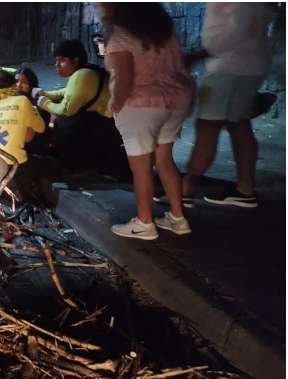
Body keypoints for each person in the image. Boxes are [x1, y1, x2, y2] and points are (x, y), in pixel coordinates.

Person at [102, 3, 195, 240]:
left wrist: (115, 102)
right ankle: (177, 218)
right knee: (165, 160)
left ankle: (144, 222)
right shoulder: (164, 34)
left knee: (141, 166)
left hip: (141, 104)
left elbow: (124, 76)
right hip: (175, 100)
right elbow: (181, 65)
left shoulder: (120, 35)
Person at [180, 3, 277, 209]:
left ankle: (184, 191)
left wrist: (198, 55)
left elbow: (234, 30)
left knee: (208, 127)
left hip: (227, 67)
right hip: (253, 63)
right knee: (239, 124)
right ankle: (245, 189)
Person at [31, 40, 125, 177]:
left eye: (62, 60)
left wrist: (43, 102)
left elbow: (66, 109)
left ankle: (77, 166)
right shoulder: (86, 71)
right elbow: (66, 92)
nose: (57, 65)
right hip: (109, 127)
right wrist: (45, 93)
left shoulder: (83, 75)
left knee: (63, 121)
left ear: (75, 61)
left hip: (108, 131)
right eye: (56, 60)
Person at [0, 70, 51, 205]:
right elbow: (39, 130)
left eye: (24, 82)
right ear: (13, 85)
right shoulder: (23, 101)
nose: (20, 85)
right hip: (15, 161)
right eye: (17, 82)